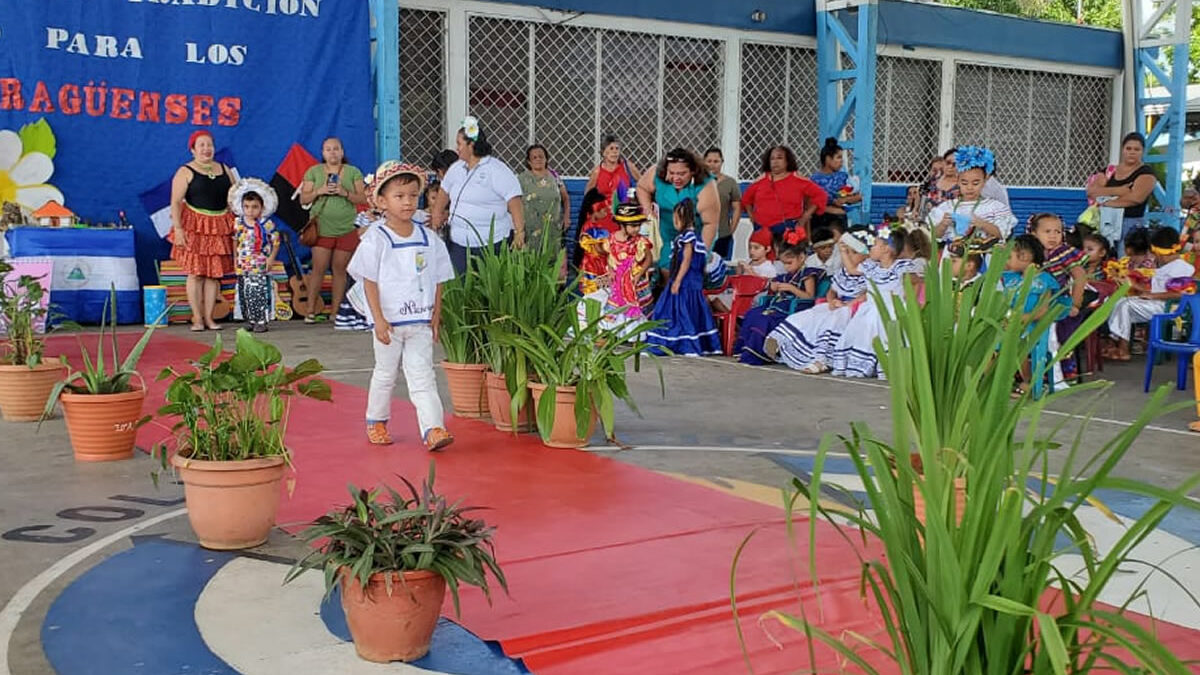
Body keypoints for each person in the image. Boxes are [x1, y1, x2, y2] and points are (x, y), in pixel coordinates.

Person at [348, 161, 455, 450]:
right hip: (389, 323)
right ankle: (376, 419)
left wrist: (436, 313)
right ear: (381, 201)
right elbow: (368, 280)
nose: (407, 202)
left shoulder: (429, 239)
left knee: (422, 375)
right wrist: (378, 319)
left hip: (419, 321)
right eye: (399, 196)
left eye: (412, 195)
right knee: (386, 373)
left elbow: (438, 279)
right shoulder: (376, 238)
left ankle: (433, 428)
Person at [432, 116, 526, 274]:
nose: (457, 148)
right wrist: (436, 214)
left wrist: (519, 232)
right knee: (459, 287)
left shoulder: (496, 169)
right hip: (458, 242)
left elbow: (514, 201)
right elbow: (444, 191)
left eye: (460, 144)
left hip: (491, 243)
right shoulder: (456, 168)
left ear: (472, 145)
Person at [169, 130, 235, 332]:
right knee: (196, 273)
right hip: (195, 226)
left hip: (219, 225)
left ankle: (210, 318)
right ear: (193, 149)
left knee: (214, 275)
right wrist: (179, 229)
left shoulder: (224, 169)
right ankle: (197, 318)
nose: (206, 149)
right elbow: (175, 201)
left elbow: (235, 196)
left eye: (209, 145)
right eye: (202, 145)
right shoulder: (185, 171)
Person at [299, 136, 367, 324]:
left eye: (336, 148)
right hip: (321, 228)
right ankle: (310, 310)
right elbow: (304, 199)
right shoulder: (314, 171)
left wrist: (344, 192)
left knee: (340, 270)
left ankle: (336, 312)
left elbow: (364, 198)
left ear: (342, 152)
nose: (332, 152)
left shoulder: (353, 172)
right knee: (318, 269)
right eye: (328, 149)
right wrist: (319, 191)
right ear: (322, 153)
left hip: (346, 228)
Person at [1105, 226, 1194, 362]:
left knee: (1126, 305)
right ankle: (1115, 344)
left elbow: (1181, 294)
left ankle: (1123, 349)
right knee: (1118, 302)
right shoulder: (1164, 266)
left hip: (1171, 308)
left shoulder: (1183, 267)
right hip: (1156, 304)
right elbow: (1153, 291)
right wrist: (1133, 285)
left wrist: (1152, 296)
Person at [645, 199, 722, 356]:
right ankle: (693, 344)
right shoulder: (698, 239)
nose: (674, 222)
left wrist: (677, 281)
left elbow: (686, 260)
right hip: (694, 283)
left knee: (675, 313)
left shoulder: (687, 238)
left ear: (682, 218)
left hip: (684, 282)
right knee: (692, 313)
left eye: (675, 219)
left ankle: (686, 345)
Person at [735, 230, 816, 365]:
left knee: (764, 319)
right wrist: (773, 287)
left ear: (802, 257)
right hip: (778, 305)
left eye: (789, 263)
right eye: (784, 263)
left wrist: (792, 289)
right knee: (752, 314)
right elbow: (770, 285)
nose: (786, 267)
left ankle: (759, 354)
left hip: (793, 308)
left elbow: (809, 296)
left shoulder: (808, 274)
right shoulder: (785, 275)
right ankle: (746, 350)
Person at [635, 148, 721, 272]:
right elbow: (642, 188)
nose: (676, 178)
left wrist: (700, 253)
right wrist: (648, 209)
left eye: (681, 174)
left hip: (696, 234)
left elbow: (710, 224)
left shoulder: (706, 185)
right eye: (672, 173)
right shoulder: (657, 173)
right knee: (665, 267)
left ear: (693, 171)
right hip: (666, 232)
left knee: (689, 270)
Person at [928, 146, 1016, 247]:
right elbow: (934, 235)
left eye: (975, 183)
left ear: (984, 181)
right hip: (953, 259)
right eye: (965, 183)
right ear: (958, 181)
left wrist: (983, 224)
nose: (970, 188)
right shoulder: (947, 207)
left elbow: (1003, 234)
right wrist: (943, 224)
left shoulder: (994, 207)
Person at [741, 145, 827, 241]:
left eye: (780, 158)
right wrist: (752, 217)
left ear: (787, 161)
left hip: (787, 229)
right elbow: (746, 199)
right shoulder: (761, 180)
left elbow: (820, 195)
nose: (775, 161)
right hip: (762, 230)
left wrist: (805, 217)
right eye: (772, 159)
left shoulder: (797, 179)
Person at [1087, 132, 1156, 250]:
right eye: (1128, 148)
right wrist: (1120, 190)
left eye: (1136, 149)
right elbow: (1092, 192)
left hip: (1130, 224)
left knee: (1124, 260)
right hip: (1104, 221)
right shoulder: (1109, 170)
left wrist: (1107, 201)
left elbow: (1135, 198)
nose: (1132, 152)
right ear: (1123, 150)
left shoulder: (1146, 173)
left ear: (1143, 151)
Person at [228, 178, 280, 333]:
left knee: (258, 291)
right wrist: (235, 259)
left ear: (262, 208)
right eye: (247, 207)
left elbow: (275, 242)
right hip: (244, 264)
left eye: (254, 207)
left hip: (259, 264)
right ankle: (250, 318)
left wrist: (271, 258)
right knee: (245, 292)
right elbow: (235, 241)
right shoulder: (239, 223)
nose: (250, 210)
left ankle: (261, 320)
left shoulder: (266, 225)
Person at [517, 144, 571, 252]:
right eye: (534, 157)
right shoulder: (522, 179)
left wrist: (566, 217)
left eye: (541, 156)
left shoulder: (554, 176)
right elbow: (515, 202)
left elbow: (565, 198)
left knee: (552, 256)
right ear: (529, 161)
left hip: (553, 228)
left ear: (546, 159)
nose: (538, 160)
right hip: (530, 229)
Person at [810, 138, 861, 230]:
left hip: (839, 219)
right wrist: (831, 206)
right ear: (828, 159)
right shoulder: (814, 180)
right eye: (838, 157)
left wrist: (845, 200)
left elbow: (859, 196)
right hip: (820, 220)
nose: (842, 161)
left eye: (842, 157)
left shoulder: (843, 177)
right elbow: (811, 204)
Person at [703, 147, 743, 259]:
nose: (712, 164)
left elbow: (737, 208)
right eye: (709, 161)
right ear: (704, 162)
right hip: (700, 232)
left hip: (722, 234)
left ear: (722, 162)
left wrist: (731, 230)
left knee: (718, 265)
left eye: (716, 161)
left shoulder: (730, 183)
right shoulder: (697, 182)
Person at [586, 134, 641, 203]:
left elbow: (642, 183)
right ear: (603, 152)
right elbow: (587, 195)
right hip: (604, 210)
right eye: (611, 148)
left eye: (617, 148)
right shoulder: (597, 172)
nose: (615, 152)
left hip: (624, 209)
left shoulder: (627, 166)